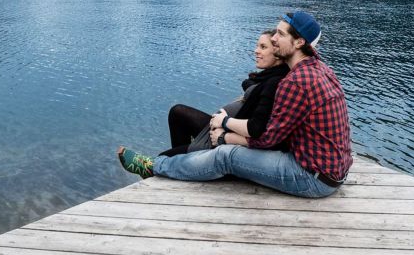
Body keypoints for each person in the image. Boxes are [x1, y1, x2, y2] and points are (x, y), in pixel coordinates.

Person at [117, 11, 352, 198]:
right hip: (330, 170)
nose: (273, 38)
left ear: (299, 42)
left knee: (226, 156)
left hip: (311, 177)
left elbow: (265, 138)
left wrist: (224, 135)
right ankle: (170, 168)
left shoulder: (296, 81)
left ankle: (153, 166)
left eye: (280, 34)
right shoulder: (319, 68)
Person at [161, 30, 290, 157]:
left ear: (278, 53)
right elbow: (249, 83)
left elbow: (256, 128)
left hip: (224, 138)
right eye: (257, 46)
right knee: (177, 113)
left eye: (263, 47)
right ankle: (182, 163)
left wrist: (224, 123)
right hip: (222, 131)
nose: (256, 51)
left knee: (163, 158)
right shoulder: (267, 78)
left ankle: (182, 161)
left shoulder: (274, 83)